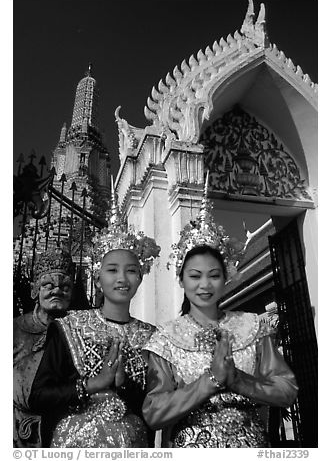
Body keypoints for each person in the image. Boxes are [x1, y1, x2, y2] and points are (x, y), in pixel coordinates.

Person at [142, 188, 298, 448]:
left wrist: (238, 379)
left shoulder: (251, 326)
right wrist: (209, 381)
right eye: (194, 276)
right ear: (181, 279)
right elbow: (153, 412)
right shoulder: (166, 338)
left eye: (214, 275)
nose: (205, 285)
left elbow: (287, 389)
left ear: (226, 278)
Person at [29, 195, 160, 448]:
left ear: (140, 278)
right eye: (112, 270)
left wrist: (124, 385)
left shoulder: (152, 337)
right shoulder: (69, 326)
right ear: (97, 278)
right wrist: (91, 385)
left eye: (131, 270)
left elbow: (154, 407)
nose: (122, 278)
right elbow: (38, 396)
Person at [13, 247, 75, 447]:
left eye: (65, 287)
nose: (57, 291)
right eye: (49, 285)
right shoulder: (13, 329)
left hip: (66, 429)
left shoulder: (78, 331)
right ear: (34, 289)